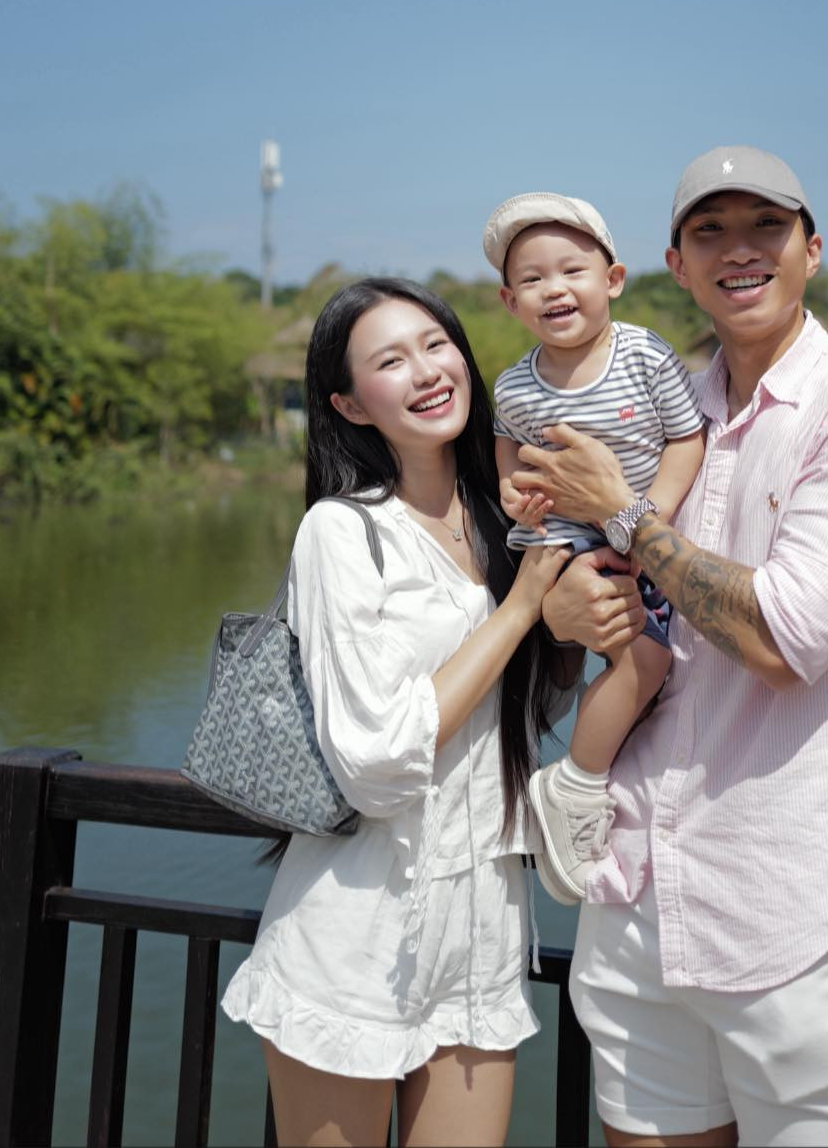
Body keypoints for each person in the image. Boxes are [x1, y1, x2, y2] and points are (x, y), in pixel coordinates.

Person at [512, 146, 828, 1147]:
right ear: (675, 264)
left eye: (767, 227)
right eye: (710, 232)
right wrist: (565, 612)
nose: (739, 251)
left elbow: (783, 638)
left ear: (812, 250)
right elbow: (595, 595)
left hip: (783, 903)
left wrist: (624, 516)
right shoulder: (657, 406)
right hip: (636, 886)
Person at [221, 277, 578, 1148]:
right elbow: (377, 765)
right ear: (349, 403)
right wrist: (520, 610)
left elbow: (531, 708)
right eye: (390, 361)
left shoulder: (504, 521)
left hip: (482, 927)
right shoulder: (343, 533)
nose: (425, 371)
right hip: (356, 932)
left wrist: (571, 611)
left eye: (435, 343)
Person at [481, 192, 706, 908]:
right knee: (647, 657)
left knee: (646, 662)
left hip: (637, 533)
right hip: (561, 543)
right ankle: (578, 783)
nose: (555, 289)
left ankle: (585, 779)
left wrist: (648, 516)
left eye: (572, 271)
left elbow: (686, 439)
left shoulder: (645, 356)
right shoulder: (516, 386)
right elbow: (508, 455)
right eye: (533, 279)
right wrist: (514, 494)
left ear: (613, 280)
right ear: (510, 301)